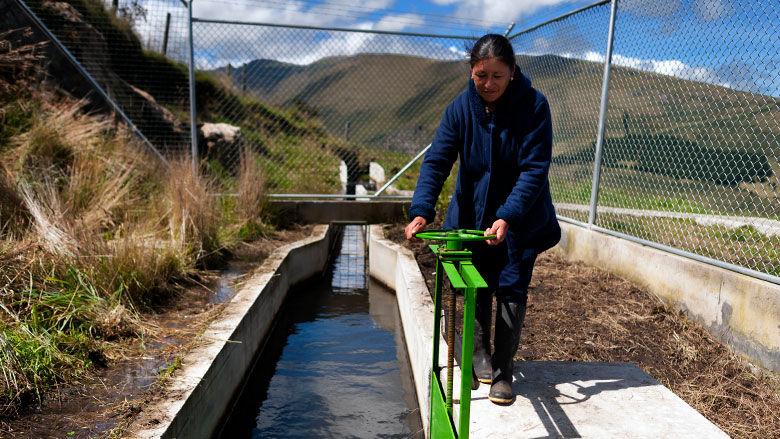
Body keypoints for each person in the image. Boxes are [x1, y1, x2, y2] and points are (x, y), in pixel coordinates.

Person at [405, 34, 560, 405]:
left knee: (510, 286)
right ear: (471, 72)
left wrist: (507, 216)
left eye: (497, 76)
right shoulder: (460, 108)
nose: (488, 84)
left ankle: (504, 373)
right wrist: (422, 210)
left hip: (520, 219)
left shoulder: (534, 107)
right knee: (475, 283)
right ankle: (478, 354)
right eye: (480, 75)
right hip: (472, 216)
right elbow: (438, 161)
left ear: (512, 72)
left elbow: (534, 169)